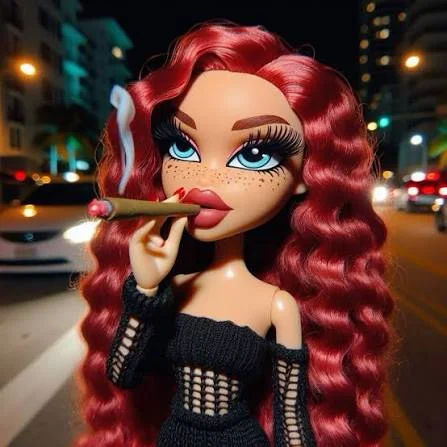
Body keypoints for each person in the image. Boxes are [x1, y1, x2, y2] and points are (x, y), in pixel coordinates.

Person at [75, 22, 395, 447]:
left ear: (306, 176)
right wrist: (146, 291)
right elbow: (122, 375)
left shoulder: (276, 305)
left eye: (255, 154)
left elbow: (291, 417)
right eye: (182, 147)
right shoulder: (175, 288)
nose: (206, 178)